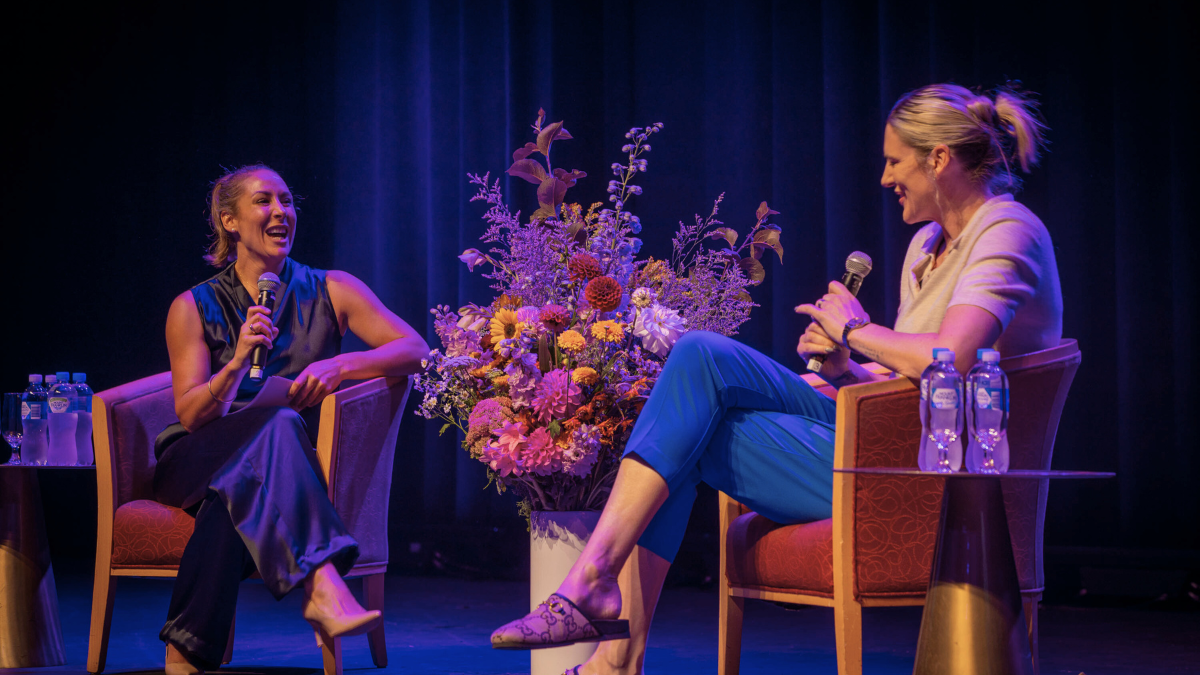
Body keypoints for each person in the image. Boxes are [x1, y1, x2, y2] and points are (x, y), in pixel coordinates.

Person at [490, 83, 1062, 674]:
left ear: (938, 158)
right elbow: (903, 385)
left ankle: (607, 635)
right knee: (697, 359)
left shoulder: (1008, 230)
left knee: (688, 424)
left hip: (936, 474)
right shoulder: (927, 245)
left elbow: (952, 360)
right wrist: (849, 370)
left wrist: (854, 333)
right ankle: (602, 607)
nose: (887, 178)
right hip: (882, 442)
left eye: (895, 161)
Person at [154, 165, 428, 675]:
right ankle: (322, 581)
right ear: (229, 221)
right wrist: (235, 365)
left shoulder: (333, 289)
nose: (281, 212)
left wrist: (341, 364)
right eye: (264, 202)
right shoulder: (192, 306)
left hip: (267, 468)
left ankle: (185, 653)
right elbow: (189, 415)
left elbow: (416, 348)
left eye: (286, 200)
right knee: (279, 424)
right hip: (193, 459)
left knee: (247, 478)